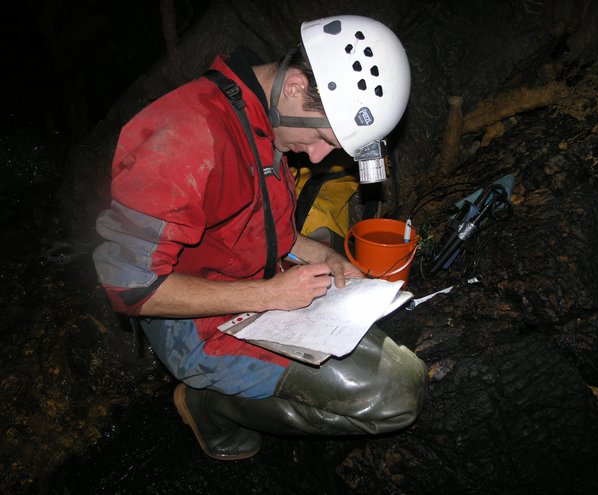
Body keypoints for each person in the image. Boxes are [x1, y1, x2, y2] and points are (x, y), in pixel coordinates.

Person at [93, 14, 427, 460]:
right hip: (194, 325)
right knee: (392, 401)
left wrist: (318, 255)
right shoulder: (188, 136)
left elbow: (255, 222)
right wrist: (269, 294)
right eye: (323, 137)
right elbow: (130, 288)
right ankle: (208, 405)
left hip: (257, 287)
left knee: (408, 370)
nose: (317, 155)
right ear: (293, 87)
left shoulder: (259, 117)